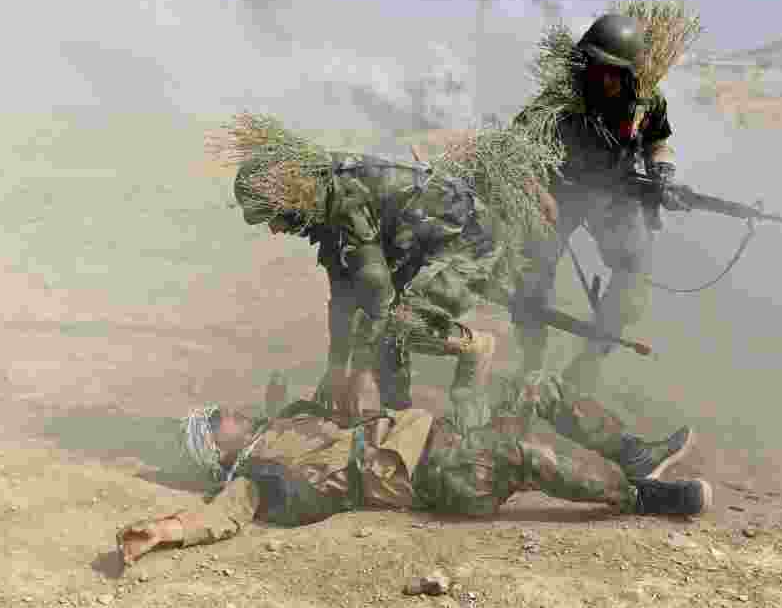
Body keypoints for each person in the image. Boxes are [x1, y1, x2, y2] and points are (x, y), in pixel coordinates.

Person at [116, 372, 708, 566]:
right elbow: (221, 516)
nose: (230, 412)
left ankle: (630, 453)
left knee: (537, 387)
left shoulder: (287, 424)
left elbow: (355, 398)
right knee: (519, 442)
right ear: (217, 451)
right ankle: (642, 497)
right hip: (435, 472)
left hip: (442, 434)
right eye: (217, 420)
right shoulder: (254, 477)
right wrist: (165, 531)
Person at [221, 114, 561, 426]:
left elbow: (378, 295)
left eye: (272, 217)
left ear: (287, 197)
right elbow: (342, 293)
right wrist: (337, 365)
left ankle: (475, 348)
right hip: (421, 248)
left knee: (394, 324)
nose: (276, 230)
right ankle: (397, 414)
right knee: (377, 330)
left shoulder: (343, 199)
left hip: (470, 240)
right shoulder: (322, 197)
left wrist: (357, 376)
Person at [511, 12, 691, 394]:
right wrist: (537, 191)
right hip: (557, 192)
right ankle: (530, 367)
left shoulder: (646, 101)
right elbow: (516, 150)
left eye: (614, 70)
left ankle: (585, 368)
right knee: (530, 273)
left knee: (634, 275)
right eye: (597, 67)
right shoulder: (560, 100)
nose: (604, 78)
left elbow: (659, 143)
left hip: (614, 194)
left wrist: (664, 174)